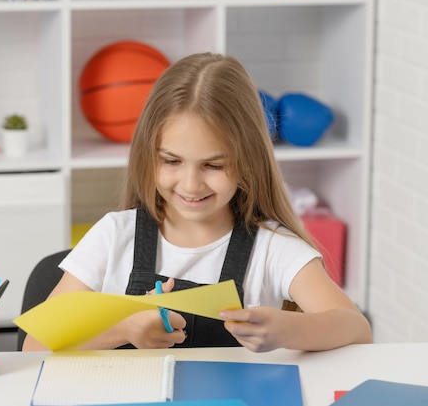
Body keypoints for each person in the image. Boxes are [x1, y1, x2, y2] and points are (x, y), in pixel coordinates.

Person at [23, 52, 372, 352]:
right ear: (149, 155)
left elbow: (357, 331)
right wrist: (123, 328)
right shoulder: (115, 235)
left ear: (247, 161)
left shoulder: (273, 248)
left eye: (213, 165)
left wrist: (287, 331)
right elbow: (35, 344)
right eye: (172, 161)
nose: (190, 185)